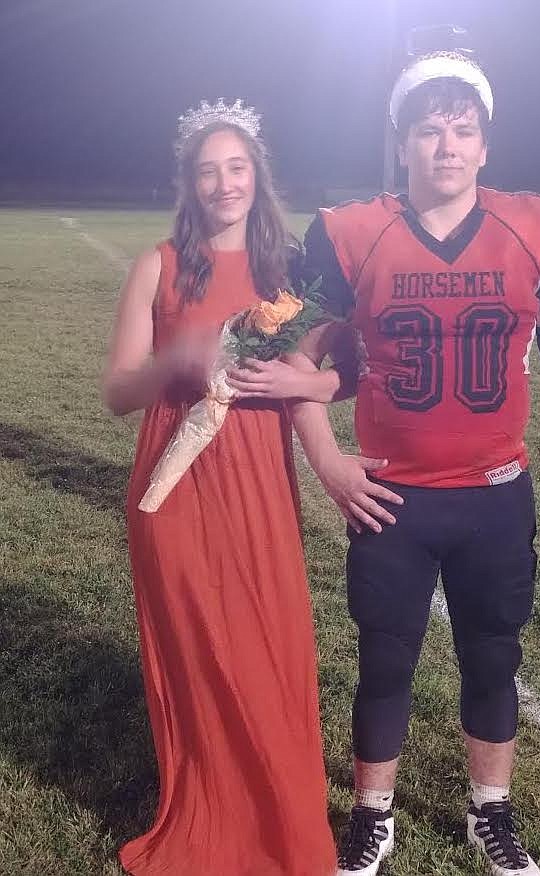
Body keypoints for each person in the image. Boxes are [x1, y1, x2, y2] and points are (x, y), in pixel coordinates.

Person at [288, 52, 540, 876]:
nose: (448, 147)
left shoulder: (535, 226)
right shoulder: (352, 233)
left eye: (463, 131)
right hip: (391, 497)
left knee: (494, 655)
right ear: (402, 145)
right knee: (386, 656)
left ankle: (489, 810)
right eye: (430, 131)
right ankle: (372, 814)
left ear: (486, 145)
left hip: (497, 495)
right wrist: (327, 460)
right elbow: (296, 359)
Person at [103, 99, 341, 876]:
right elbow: (117, 391)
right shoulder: (159, 265)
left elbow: (318, 378)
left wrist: (319, 407)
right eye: (208, 171)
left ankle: (279, 823)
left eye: (236, 167)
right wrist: (181, 361)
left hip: (258, 487)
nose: (224, 183)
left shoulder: (292, 268)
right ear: (190, 183)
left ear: (256, 175)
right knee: (202, 656)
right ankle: (209, 816)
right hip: (173, 489)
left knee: (271, 650)